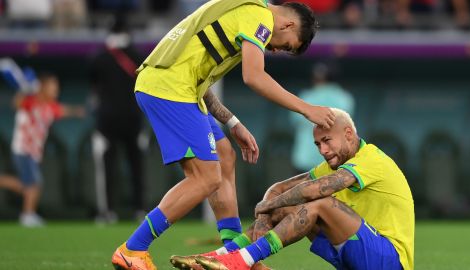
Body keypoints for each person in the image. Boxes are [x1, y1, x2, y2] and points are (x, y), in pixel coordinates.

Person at [111, 0, 335, 269]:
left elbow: (198, 75)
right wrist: (306, 109)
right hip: (170, 88)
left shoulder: (243, 13)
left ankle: (231, 256)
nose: (276, 50)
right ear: (288, 24)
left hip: (180, 87)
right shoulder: (260, 17)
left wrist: (233, 122)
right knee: (206, 177)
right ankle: (133, 249)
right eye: (286, 45)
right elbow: (254, 76)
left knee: (225, 155)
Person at [191, 108, 414, 270]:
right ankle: (222, 256)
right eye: (318, 144)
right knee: (288, 209)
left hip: (390, 261)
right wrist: (264, 217)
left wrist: (265, 206)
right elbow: (278, 188)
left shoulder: (371, 159)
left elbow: (315, 190)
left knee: (320, 204)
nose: (323, 150)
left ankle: (241, 262)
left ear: (348, 134)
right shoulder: (332, 164)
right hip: (357, 255)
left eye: (327, 140)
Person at [0, 72, 84, 227]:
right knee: (34, 183)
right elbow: (17, 103)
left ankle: (28, 214)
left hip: (34, 152)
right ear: (42, 87)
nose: (56, 90)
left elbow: (62, 110)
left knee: (27, 186)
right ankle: (27, 215)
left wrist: (77, 111)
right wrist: (26, 89)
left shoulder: (50, 107)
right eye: (53, 86)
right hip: (23, 149)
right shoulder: (31, 101)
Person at [90, 14, 146, 224]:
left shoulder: (99, 57)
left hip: (107, 120)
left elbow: (93, 86)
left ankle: (107, 211)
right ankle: (139, 209)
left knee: (106, 168)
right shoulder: (138, 55)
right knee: (137, 167)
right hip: (134, 118)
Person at [290, 62, 355, 173]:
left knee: (303, 190)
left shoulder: (307, 96)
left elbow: (294, 121)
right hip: (336, 159)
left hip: (306, 160)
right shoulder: (345, 98)